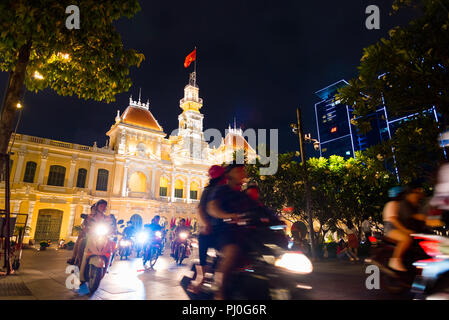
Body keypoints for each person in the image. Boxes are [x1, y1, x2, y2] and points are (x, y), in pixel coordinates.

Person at [206, 163, 254, 300]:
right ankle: (219, 290)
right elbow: (212, 208)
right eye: (238, 171)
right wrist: (228, 216)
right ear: (229, 175)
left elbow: (258, 208)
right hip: (224, 231)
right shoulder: (221, 190)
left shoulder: (243, 195)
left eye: (243, 171)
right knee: (232, 251)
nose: (242, 173)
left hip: (242, 233)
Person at [188, 165, 226, 294]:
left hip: (223, 227)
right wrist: (206, 224)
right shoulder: (209, 190)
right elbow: (201, 209)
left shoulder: (223, 190)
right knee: (203, 250)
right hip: (212, 228)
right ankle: (201, 279)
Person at [382, 183, 425, 272]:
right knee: (406, 239)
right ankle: (395, 260)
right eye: (403, 194)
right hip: (391, 229)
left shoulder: (403, 205)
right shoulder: (392, 204)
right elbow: (394, 220)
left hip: (396, 228)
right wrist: (404, 230)